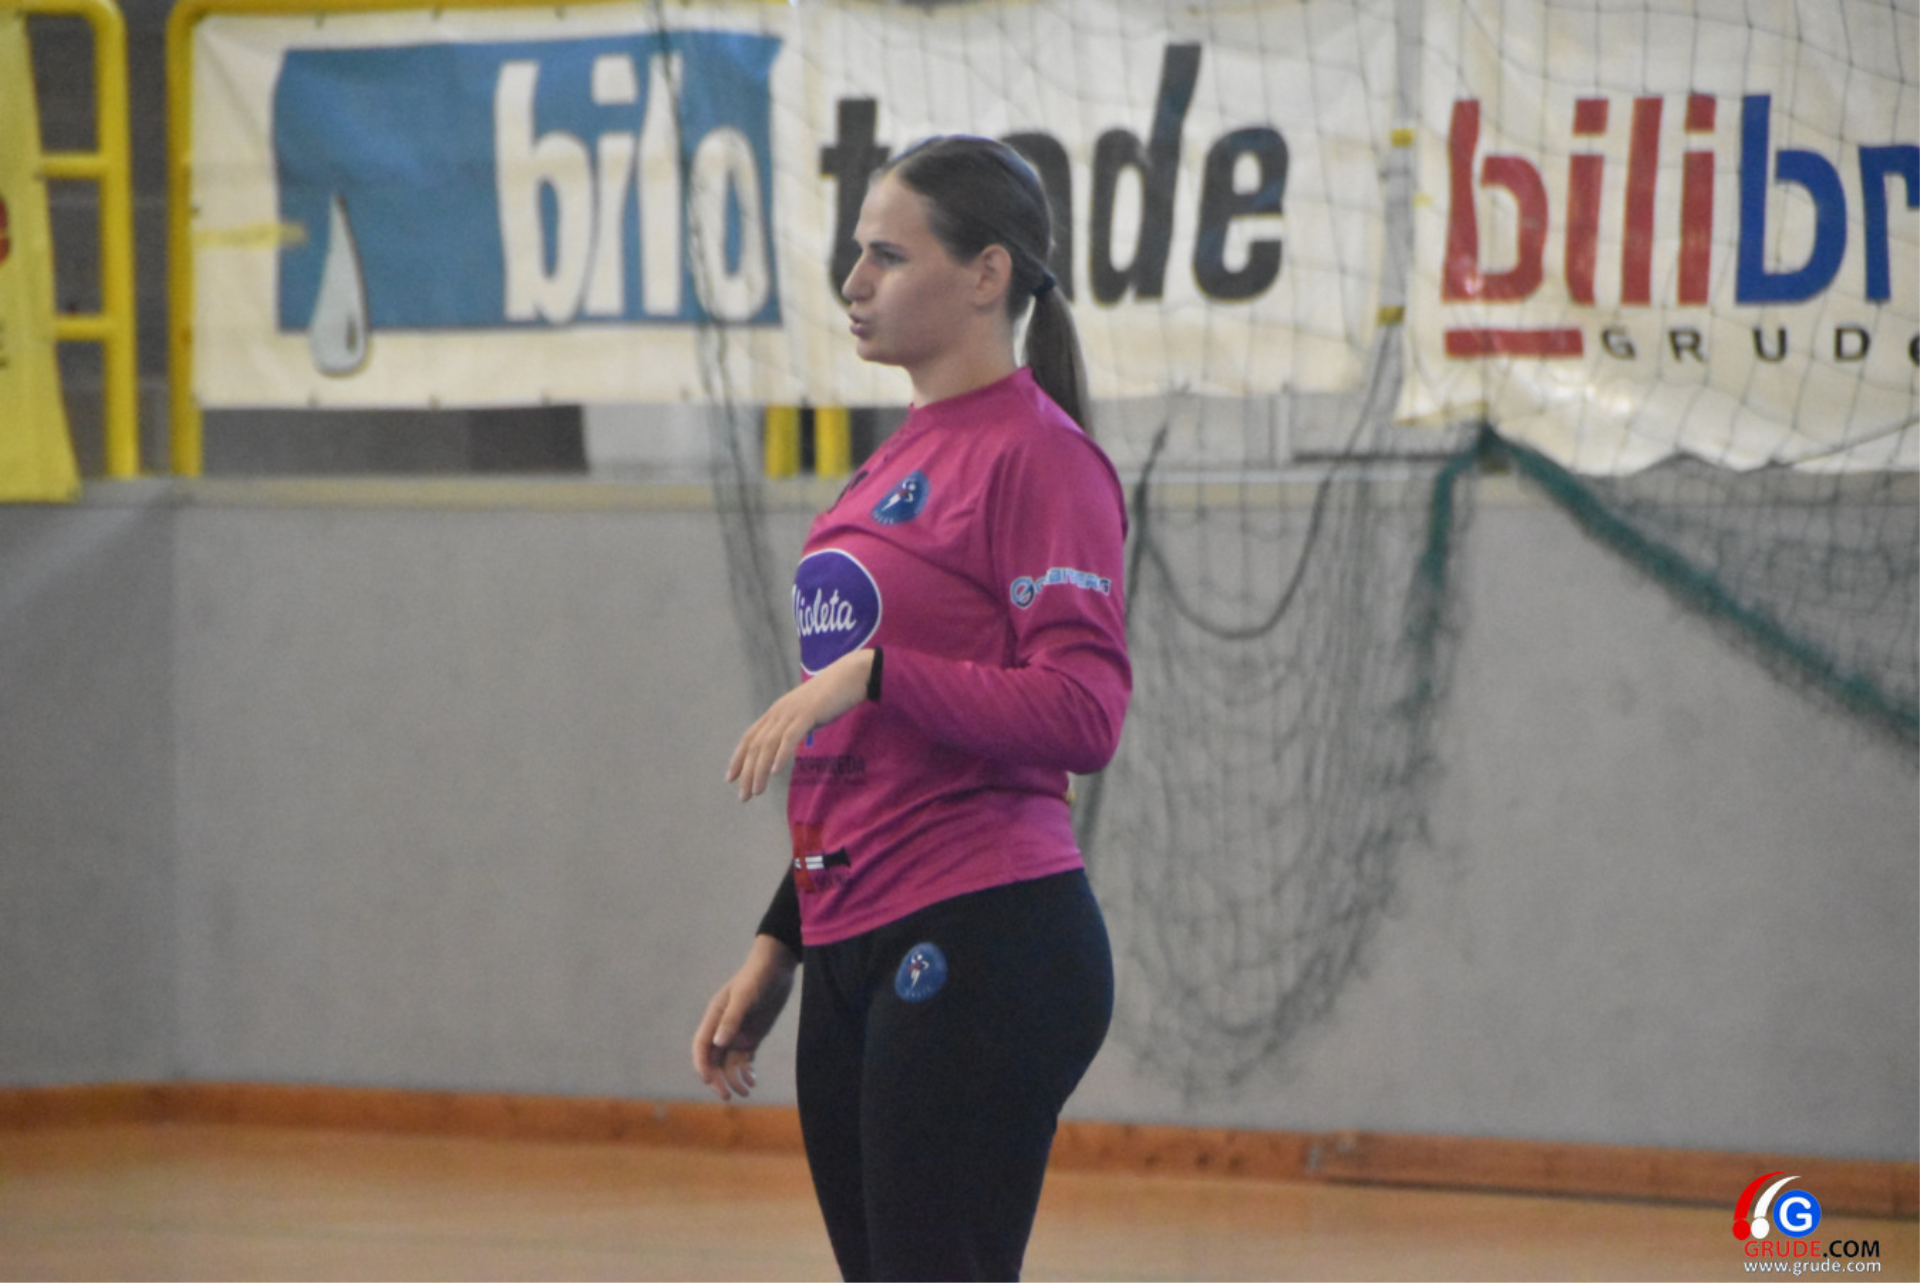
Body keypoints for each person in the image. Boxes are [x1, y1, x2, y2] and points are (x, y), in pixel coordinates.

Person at [692, 134, 1130, 1283]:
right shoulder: (885, 468)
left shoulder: (1043, 459)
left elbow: (1084, 710)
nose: (854, 282)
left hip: (985, 929)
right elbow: (872, 757)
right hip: (849, 934)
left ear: (987, 273)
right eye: (856, 254)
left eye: (888, 255)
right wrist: (779, 942)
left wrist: (878, 670)